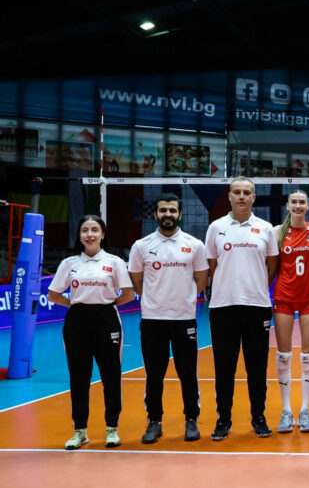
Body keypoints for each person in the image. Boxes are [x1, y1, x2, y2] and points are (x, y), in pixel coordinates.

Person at [48, 215, 135, 450]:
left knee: (111, 376)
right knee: (79, 378)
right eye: (85, 230)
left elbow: (128, 294)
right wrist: (76, 305)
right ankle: (80, 431)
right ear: (79, 235)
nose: (90, 234)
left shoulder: (115, 262)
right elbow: (53, 295)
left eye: (95, 230)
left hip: (107, 320)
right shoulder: (69, 263)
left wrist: (106, 305)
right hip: (77, 322)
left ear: (103, 234)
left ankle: (112, 428)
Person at [128, 193, 209, 444]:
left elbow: (202, 279)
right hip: (153, 319)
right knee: (154, 374)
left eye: (172, 210)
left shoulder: (194, 245)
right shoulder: (141, 246)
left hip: (184, 319)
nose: (167, 215)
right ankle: (154, 421)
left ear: (180, 214)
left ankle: (191, 419)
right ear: (156, 214)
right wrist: (153, 298)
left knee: (188, 373)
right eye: (163, 210)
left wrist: (185, 298)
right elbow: (136, 280)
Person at [204, 176, 279, 441]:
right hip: (223, 306)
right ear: (230, 196)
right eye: (237, 192)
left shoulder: (265, 228)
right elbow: (212, 265)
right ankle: (223, 419)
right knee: (224, 368)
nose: (242, 196)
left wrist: (256, 286)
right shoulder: (216, 227)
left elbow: (272, 265)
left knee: (257, 368)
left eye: (247, 192)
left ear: (253, 197)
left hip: (257, 306)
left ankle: (258, 417)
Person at [272, 191, 309, 434]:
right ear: (287, 206)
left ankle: (304, 411)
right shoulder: (277, 232)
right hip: (283, 297)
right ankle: (286, 411)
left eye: (302, 202)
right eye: (294, 202)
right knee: (284, 355)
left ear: (308, 206)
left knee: (307, 356)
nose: (298, 205)